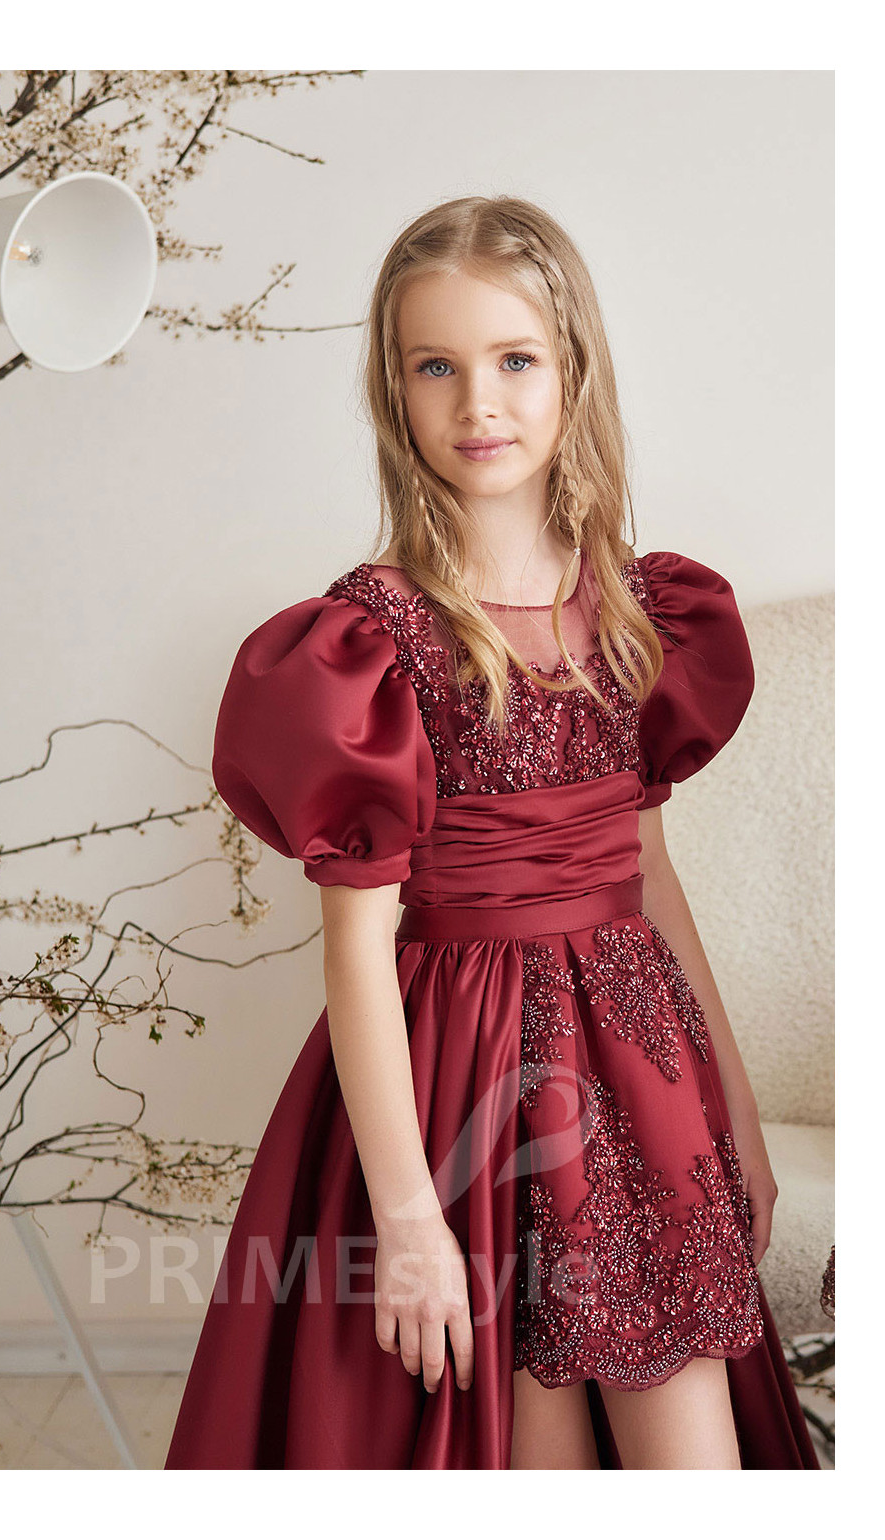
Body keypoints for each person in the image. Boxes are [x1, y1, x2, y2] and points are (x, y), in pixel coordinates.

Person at [163, 195, 820, 1470]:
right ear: (394, 389)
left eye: (514, 359)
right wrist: (408, 1220)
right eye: (437, 366)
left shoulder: (640, 613)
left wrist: (731, 1112)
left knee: (693, 1461)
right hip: (460, 1082)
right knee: (523, 1452)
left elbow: (651, 878)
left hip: (638, 1078)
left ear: (571, 369)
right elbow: (356, 950)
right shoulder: (364, 643)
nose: (479, 402)